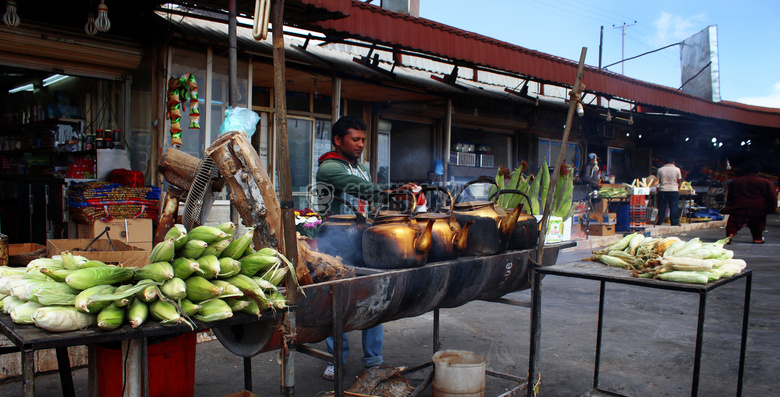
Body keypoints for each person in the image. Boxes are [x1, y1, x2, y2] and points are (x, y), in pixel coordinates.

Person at [315, 115, 418, 380]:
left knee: (374, 296)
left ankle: (373, 359)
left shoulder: (361, 167)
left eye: (363, 139)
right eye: (355, 139)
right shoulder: (328, 167)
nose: (361, 144)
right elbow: (361, 189)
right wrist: (391, 192)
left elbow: (370, 199)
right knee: (337, 302)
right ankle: (336, 358)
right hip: (336, 241)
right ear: (338, 140)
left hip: (363, 239)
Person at [722, 161, 776, 243]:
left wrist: (731, 205)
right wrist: (772, 208)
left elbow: (730, 195)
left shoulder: (735, 182)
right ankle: (757, 239)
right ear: (758, 171)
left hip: (739, 206)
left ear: (743, 170)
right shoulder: (766, 182)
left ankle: (729, 237)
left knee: (734, 223)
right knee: (757, 224)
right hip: (758, 208)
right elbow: (772, 197)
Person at [656, 157, 682, 226]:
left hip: (662, 189)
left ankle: (659, 221)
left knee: (662, 206)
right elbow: (679, 180)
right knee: (673, 206)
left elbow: (658, 180)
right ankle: (674, 222)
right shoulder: (677, 169)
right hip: (673, 189)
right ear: (674, 162)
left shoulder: (660, 169)